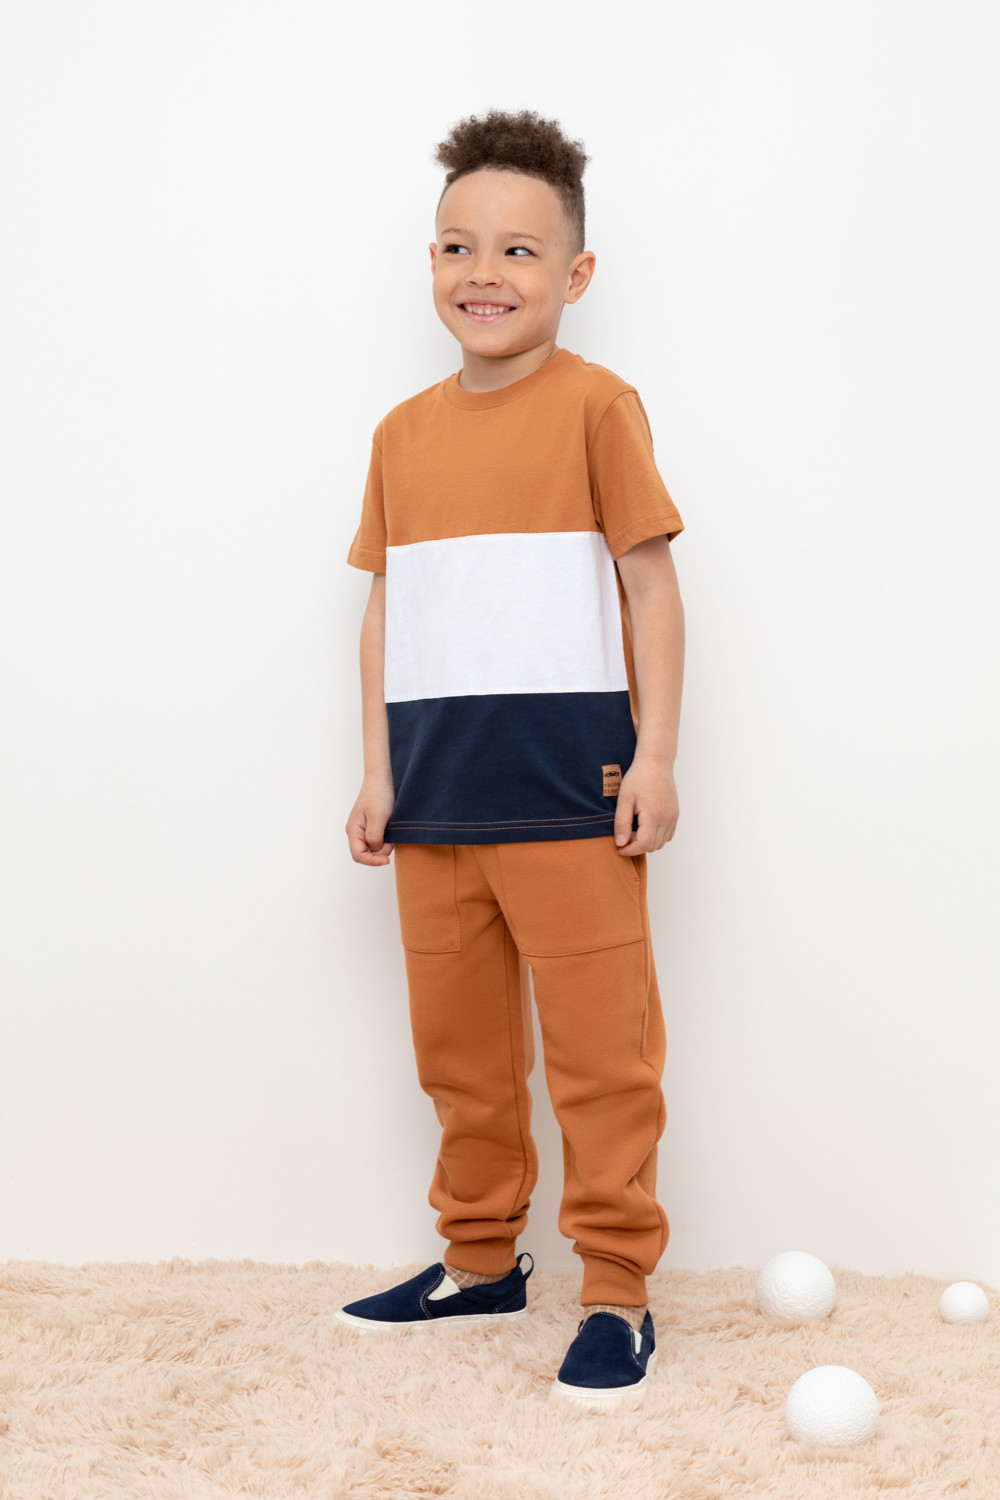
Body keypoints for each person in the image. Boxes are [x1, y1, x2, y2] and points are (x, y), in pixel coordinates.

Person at [336, 108, 685, 1411]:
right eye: (458, 246)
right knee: (463, 1058)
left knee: (603, 1061)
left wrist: (656, 757)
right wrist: (379, 774)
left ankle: (618, 1291)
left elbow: (650, 589)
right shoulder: (400, 435)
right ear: (431, 261)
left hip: (572, 801)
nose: (484, 272)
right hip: (435, 804)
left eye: (519, 250)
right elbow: (388, 611)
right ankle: (479, 1261)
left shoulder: (597, 407)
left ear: (575, 274)